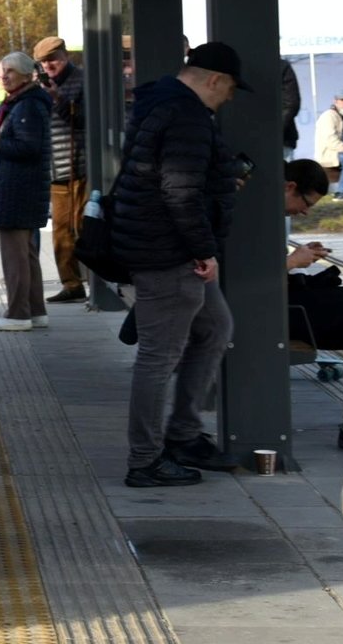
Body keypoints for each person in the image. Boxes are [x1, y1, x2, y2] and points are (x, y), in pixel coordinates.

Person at [112, 41, 248, 487]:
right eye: (228, 91)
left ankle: (184, 435)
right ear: (214, 80)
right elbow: (180, 190)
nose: (227, 100)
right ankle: (146, 460)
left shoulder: (159, 102)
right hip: (169, 251)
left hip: (162, 244)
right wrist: (203, 250)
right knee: (158, 357)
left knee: (215, 328)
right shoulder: (186, 115)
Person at [281, 159, 343, 451]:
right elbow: (244, 276)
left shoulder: (267, 213)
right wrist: (292, 262)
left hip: (282, 303)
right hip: (272, 310)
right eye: (306, 202)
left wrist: (301, 258)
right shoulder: (252, 216)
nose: (306, 211)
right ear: (290, 187)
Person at [0, 52, 52, 330]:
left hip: (18, 187)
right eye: (0, 72)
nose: (4, 77)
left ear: (24, 74)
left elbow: (28, 148)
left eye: (9, 71)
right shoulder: (24, 102)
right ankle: (35, 310)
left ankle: (18, 314)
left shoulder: (27, 105)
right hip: (22, 186)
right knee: (27, 253)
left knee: (15, 255)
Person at [33, 36, 89, 303]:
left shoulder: (83, 80)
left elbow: (86, 121)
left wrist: (58, 101)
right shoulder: (40, 86)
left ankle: (94, 281)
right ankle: (71, 283)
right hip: (56, 169)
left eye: (52, 60)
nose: (48, 66)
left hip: (81, 166)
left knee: (82, 227)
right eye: (43, 62)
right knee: (61, 232)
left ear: (65, 56)